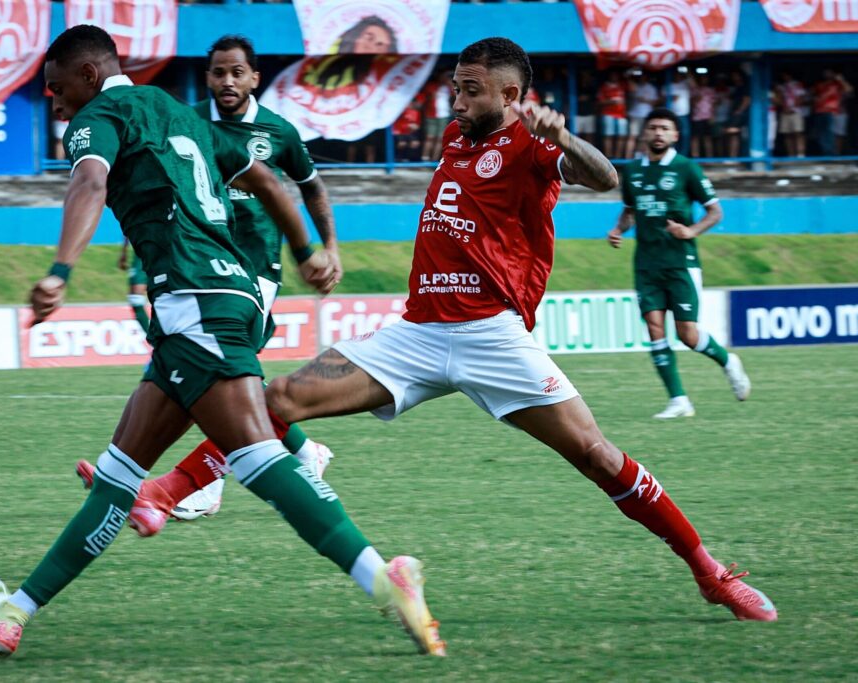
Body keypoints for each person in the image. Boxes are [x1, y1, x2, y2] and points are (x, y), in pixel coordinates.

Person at [146, 38, 777, 624]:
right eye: (455, 86)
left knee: (597, 456)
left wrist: (564, 137)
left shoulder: (533, 143)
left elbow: (604, 177)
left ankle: (709, 572)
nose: (458, 99)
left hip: (493, 335)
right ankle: (168, 490)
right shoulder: (456, 136)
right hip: (418, 332)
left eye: (471, 89)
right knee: (280, 398)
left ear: (510, 96)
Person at [0, 25, 445, 658]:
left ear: (90, 75)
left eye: (57, 84)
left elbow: (89, 184)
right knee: (120, 476)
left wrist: (60, 272)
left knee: (258, 460)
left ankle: (381, 574)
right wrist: (309, 252)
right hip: (215, 297)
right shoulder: (178, 112)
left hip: (195, 299)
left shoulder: (101, 115)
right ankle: (12, 616)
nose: (52, 96)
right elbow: (266, 183)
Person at [78, 34, 344, 534]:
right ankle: (302, 452)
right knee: (218, 377)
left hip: (256, 271)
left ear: (254, 78)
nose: (227, 81)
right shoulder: (189, 120)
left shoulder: (278, 132)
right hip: (201, 264)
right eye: (218, 72)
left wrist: (325, 247)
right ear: (207, 76)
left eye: (237, 72)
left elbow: (310, 186)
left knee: (215, 374)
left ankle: (191, 486)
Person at [607, 107, 751, 419]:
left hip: (681, 262)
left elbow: (715, 211)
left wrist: (691, 230)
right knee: (655, 328)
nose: (658, 133)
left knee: (687, 333)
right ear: (645, 133)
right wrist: (619, 229)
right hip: (646, 263)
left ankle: (728, 361)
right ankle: (679, 400)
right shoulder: (631, 171)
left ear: (675, 135)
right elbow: (630, 209)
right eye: (653, 127)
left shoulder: (687, 169)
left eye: (664, 128)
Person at [812, 69, 853, 157]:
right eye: (825, 72)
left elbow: (849, 90)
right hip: (821, 111)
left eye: (829, 72)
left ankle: (836, 154)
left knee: (837, 134)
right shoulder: (820, 84)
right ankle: (827, 153)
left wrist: (841, 80)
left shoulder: (838, 84)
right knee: (824, 134)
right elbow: (813, 95)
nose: (827, 74)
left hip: (835, 111)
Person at [118, 238, 149, 335]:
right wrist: (124, 251)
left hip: (167, 249)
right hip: (142, 252)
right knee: (135, 298)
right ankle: (155, 340)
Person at [422, 69, 453, 161]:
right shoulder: (432, 85)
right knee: (430, 138)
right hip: (431, 114)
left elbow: (456, 94)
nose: (445, 78)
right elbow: (431, 96)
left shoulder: (449, 86)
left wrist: (450, 84)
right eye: (444, 76)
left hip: (444, 115)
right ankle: (425, 159)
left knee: (440, 139)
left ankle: (434, 160)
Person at [597, 70, 628, 158]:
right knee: (608, 136)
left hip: (621, 115)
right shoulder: (604, 87)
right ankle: (609, 156)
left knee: (621, 136)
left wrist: (627, 75)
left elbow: (633, 89)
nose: (615, 77)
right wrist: (611, 101)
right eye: (613, 75)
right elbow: (599, 102)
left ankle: (618, 156)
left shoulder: (622, 85)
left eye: (616, 75)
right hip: (608, 114)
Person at [776, 71, 807, 157]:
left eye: (786, 75)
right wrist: (784, 108)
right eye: (783, 76)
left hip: (796, 112)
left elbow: (801, 97)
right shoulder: (780, 86)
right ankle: (791, 155)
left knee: (798, 133)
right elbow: (779, 98)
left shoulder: (797, 84)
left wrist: (792, 108)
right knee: (787, 134)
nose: (784, 77)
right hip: (784, 113)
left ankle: (801, 154)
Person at [690, 73, 716, 159]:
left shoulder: (711, 90)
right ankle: (695, 157)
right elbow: (692, 103)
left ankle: (709, 158)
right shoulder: (694, 90)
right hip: (697, 117)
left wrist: (713, 115)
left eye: (705, 78)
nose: (704, 80)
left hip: (707, 117)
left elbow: (714, 104)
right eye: (702, 78)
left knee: (707, 138)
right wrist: (697, 97)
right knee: (695, 138)